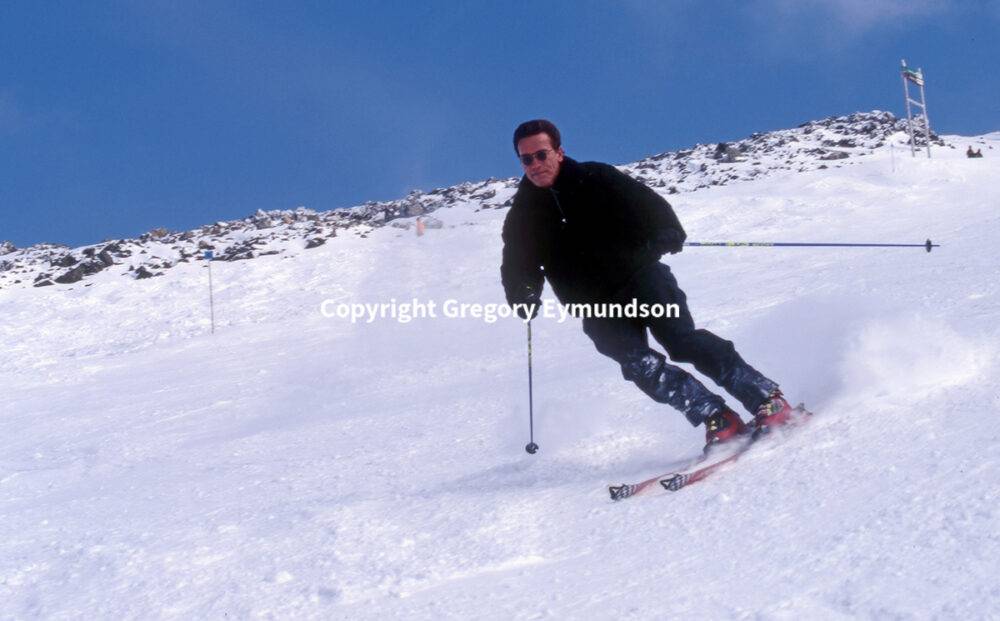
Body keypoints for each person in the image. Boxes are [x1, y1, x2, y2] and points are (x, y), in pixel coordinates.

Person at [500, 119, 797, 450]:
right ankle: (716, 417)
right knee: (638, 364)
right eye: (526, 159)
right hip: (593, 304)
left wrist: (667, 231)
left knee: (682, 341)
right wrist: (522, 292)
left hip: (641, 277)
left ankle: (766, 400)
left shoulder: (595, 177)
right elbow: (517, 263)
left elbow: (648, 204)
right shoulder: (523, 215)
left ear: (558, 151)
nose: (535, 165)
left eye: (541, 155)